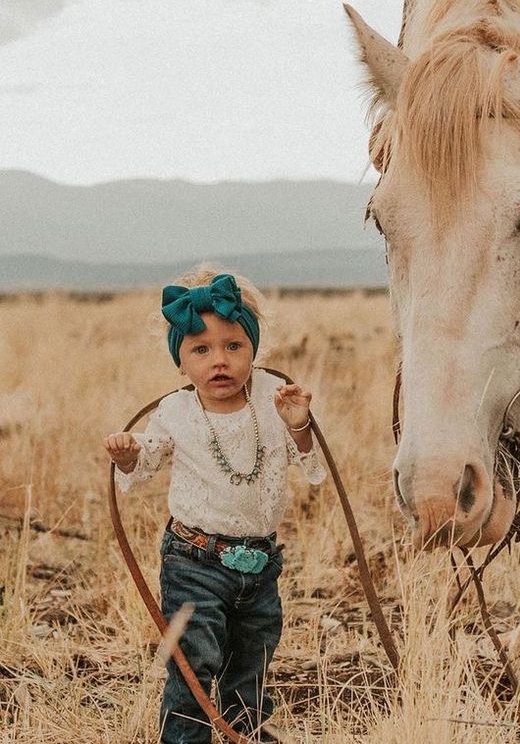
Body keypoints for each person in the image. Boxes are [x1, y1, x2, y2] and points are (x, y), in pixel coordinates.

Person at [104, 268, 325, 743]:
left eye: (233, 346)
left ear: (255, 350)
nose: (218, 361)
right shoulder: (175, 412)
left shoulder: (274, 398)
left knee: (254, 660)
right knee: (193, 664)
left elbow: (309, 458)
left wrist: (300, 424)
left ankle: (245, 732)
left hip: (261, 564)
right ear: (180, 362)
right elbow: (147, 459)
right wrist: (129, 455)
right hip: (194, 561)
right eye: (200, 350)